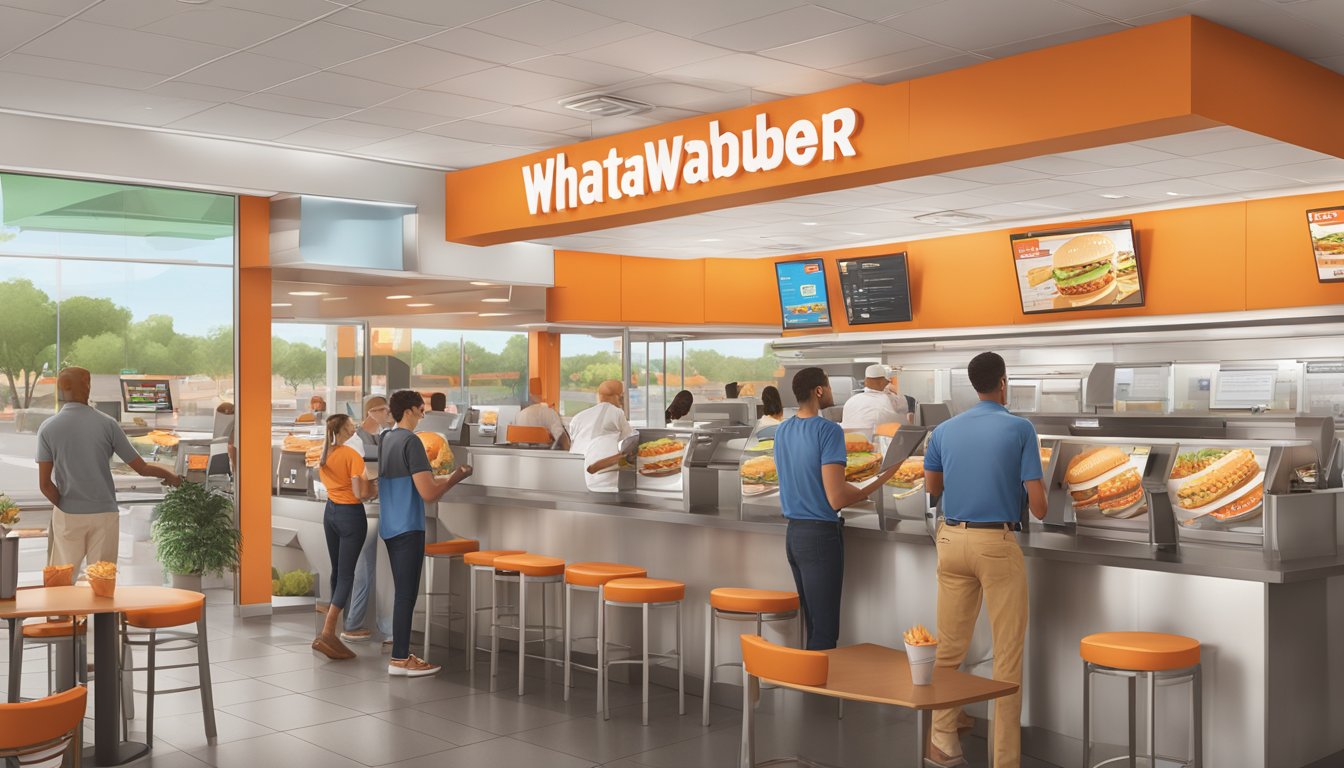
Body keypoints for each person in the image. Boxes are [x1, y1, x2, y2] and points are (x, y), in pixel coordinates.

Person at [922, 352, 1047, 768]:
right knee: (1007, 655)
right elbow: (1041, 508)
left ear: (973, 386)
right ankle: (1004, 761)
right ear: (1003, 382)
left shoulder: (944, 429)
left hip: (951, 539)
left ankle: (942, 739)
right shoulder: (1021, 428)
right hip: (996, 543)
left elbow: (933, 489)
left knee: (949, 647)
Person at [774, 367, 901, 650]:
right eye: (829, 386)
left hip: (794, 536)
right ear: (819, 391)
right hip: (819, 536)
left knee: (813, 625)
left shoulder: (783, 430)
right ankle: (823, 694)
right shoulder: (829, 431)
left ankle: (809, 689)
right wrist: (881, 479)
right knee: (825, 632)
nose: (831, 392)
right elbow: (836, 497)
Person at [36, 367, 182, 571]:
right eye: (86, 382)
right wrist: (172, 476)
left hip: (68, 514)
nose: (88, 387)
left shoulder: (49, 428)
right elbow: (142, 467)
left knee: (61, 580)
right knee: (101, 581)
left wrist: (67, 505)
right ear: (83, 387)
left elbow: (45, 485)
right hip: (104, 514)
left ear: (62, 388)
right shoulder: (107, 424)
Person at [378, 389, 473, 676]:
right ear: (409, 411)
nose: (422, 416)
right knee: (407, 594)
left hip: (390, 524)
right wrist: (457, 476)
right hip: (409, 524)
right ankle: (400, 658)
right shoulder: (412, 442)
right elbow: (428, 493)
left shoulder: (387, 439)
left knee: (402, 592)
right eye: (421, 410)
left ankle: (400, 654)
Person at [313, 414, 376, 661]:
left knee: (338, 571)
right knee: (348, 574)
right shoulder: (352, 455)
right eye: (351, 425)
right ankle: (328, 632)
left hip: (331, 513)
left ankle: (333, 633)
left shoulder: (326, 454)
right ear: (342, 429)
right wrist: (375, 487)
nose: (355, 427)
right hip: (351, 515)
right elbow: (360, 493)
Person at [341, 395, 394, 644]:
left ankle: (365, 624)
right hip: (361, 508)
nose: (388, 414)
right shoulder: (357, 440)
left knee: (371, 568)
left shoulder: (381, 436)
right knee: (364, 569)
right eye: (384, 410)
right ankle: (351, 624)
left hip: (375, 506)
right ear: (372, 412)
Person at [568, 380, 633, 493]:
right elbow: (628, 441)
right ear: (619, 397)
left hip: (574, 471)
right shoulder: (617, 413)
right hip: (601, 478)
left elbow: (573, 441)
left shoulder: (578, 417)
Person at [841, 364, 903, 430]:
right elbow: (899, 424)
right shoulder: (886, 400)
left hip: (849, 438)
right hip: (874, 437)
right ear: (884, 382)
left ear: (865, 381)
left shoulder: (851, 400)